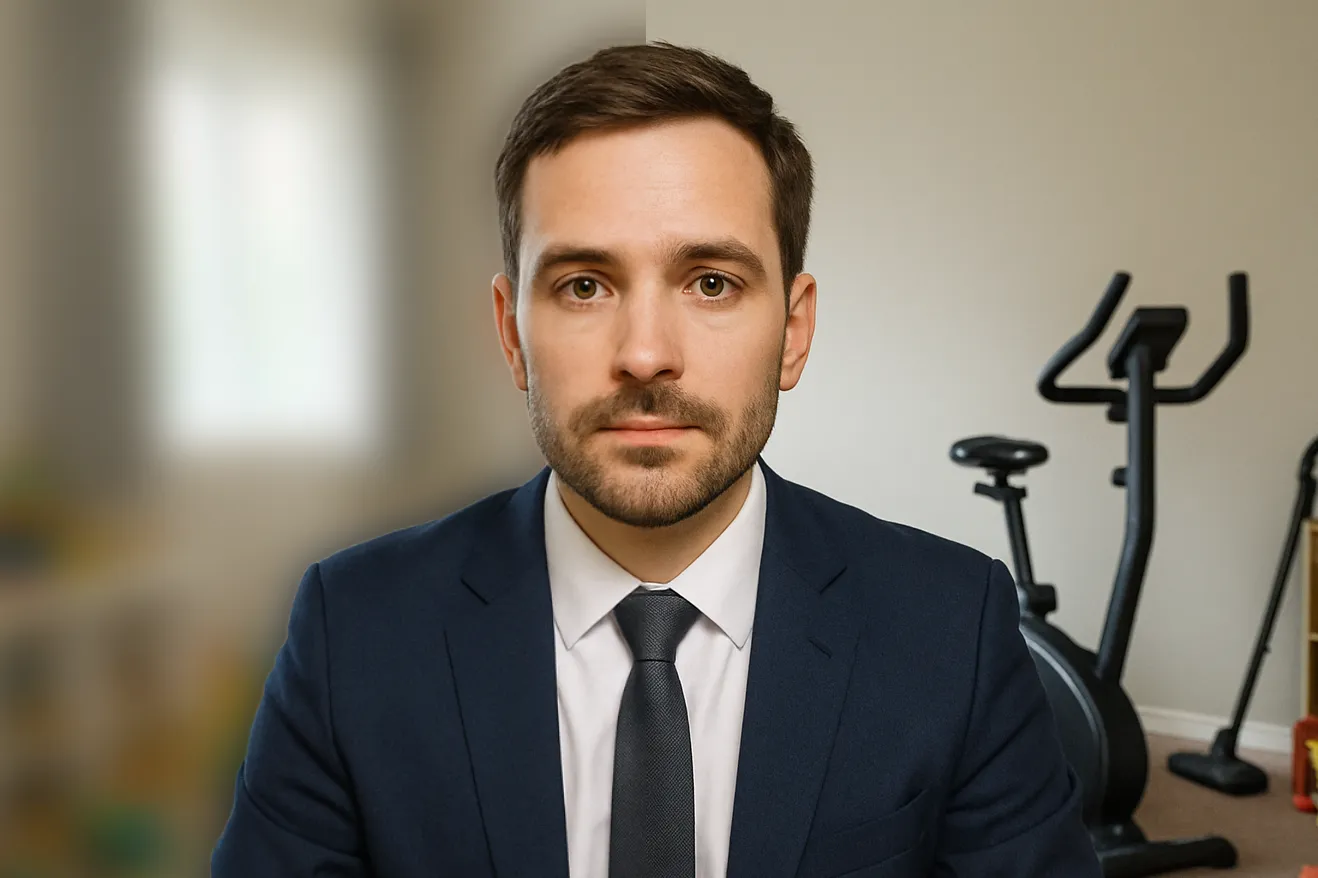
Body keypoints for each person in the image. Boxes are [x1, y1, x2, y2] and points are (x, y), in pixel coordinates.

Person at [212, 41, 1101, 878]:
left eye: (711, 282)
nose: (645, 355)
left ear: (793, 333)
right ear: (512, 335)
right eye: (584, 285)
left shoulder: (953, 629)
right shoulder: (352, 630)